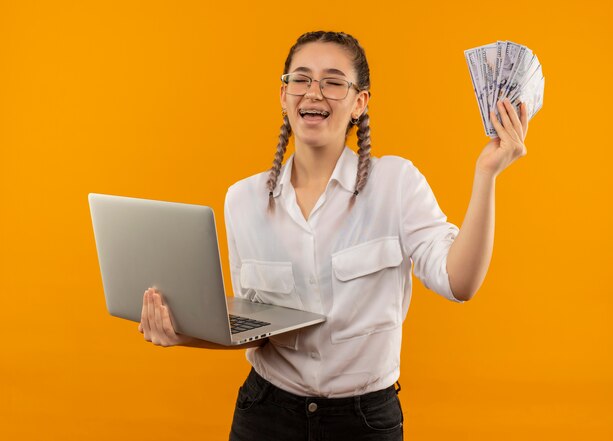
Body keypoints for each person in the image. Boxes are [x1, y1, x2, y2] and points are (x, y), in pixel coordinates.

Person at [138, 30, 529, 440]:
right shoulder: (243, 200)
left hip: (363, 422)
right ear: (283, 95)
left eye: (333, 82)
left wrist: (486, 176)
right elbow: (254, 329)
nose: (314, 93)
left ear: (359, 102)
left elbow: (459, 282)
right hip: (265, 415)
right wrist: (179, 333)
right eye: (301, 79)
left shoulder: (396, 183)